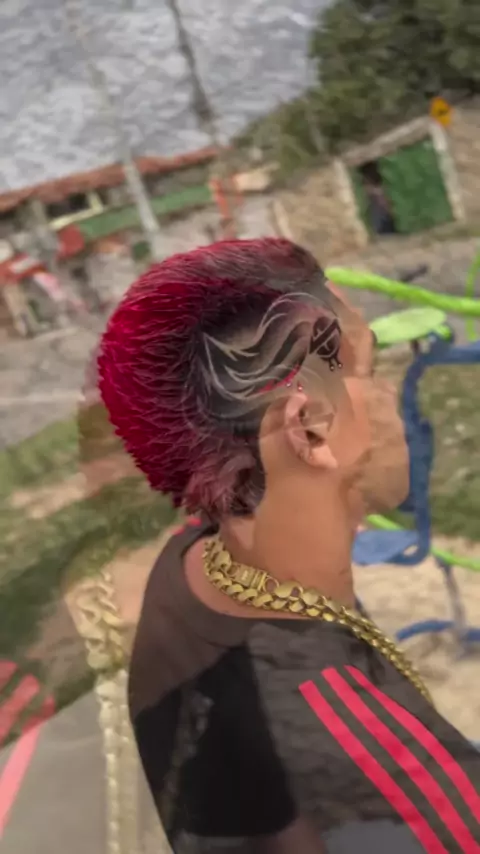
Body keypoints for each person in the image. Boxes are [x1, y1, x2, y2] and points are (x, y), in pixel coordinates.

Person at [98, 238, 480, 853]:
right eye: (371, 370)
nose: (394, 397)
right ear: (310, 428)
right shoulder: (354, 741)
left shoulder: (214, 560)